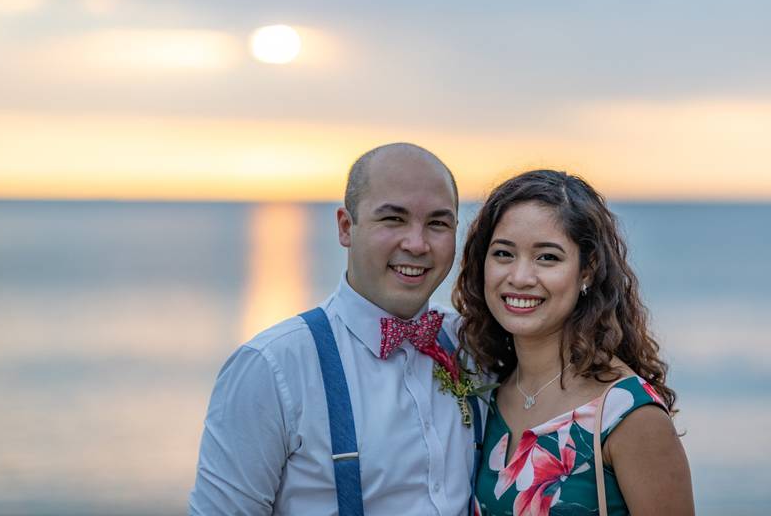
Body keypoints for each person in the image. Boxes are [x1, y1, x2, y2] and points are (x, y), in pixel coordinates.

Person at [190, 142, 483, 516]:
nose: (416, 243)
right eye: (393, 219)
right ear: (346, 227)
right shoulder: (272, 367)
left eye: (438, 224)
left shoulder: (474, 345)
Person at [455, 170, 694, 516]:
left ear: (587, 269)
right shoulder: (486, 393)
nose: (520, 277)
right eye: (504, 254)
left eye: (547, 257)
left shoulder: (628, 414)